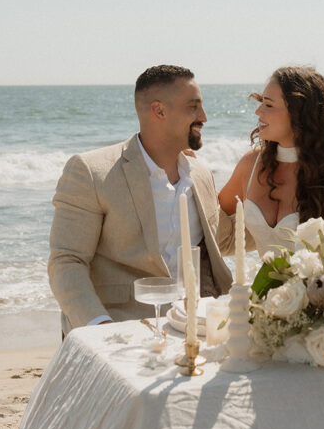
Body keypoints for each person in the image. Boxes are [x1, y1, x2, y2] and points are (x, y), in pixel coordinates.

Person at [48, 65, 232, 334]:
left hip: (195, 326)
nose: (203, 117)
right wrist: (100, 328)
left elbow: (224, 238)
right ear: (159, 111)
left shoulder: (201, 174)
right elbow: (66, 261)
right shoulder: (91, 172)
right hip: (120, 328)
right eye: (193, 107)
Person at [218, 66, 324, 257]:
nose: (258, 111)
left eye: (268, 105)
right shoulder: (251, 164)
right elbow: (217, 213)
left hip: (319, 285)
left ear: (300, 113)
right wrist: (190, 167)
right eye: (261, 102)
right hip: (261, 286)